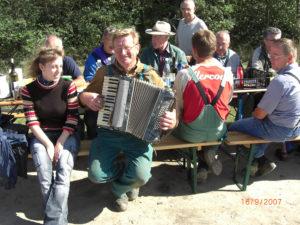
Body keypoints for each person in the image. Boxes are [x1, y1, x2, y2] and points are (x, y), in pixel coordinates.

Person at [79, 27, 176, 212]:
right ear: (113, 50)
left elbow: (171, 104)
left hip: (138, 137)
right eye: (118, 48)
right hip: (109, 134)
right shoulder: (104, 72)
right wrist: (87, 98)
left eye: (128, 47)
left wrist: (173, 120)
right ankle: (126, 177)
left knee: (141, 177)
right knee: (96, 176)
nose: (123, 53)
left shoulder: (151, 76)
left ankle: (119, 188)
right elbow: (84, 95)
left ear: (138, 47)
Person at [21, 47, 80, 225]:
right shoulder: (28, 90)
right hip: (42, 136)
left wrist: (60, 143)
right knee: (45, 177)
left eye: (60, 66)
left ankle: (52, 222)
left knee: (63, 172)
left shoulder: (68, 86)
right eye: (53, 66)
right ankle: (59, 221)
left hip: (67, 134)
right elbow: (32, 122)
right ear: (42, 66)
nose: (58, 71)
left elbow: (73, 118)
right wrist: (48, 145)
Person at [229, 38, 300, 177]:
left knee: (232, 127)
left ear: (290, 57)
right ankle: (259, 162)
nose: (270, 59)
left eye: (275, 55)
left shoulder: (281, 81)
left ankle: (258, 158)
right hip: (296, 127)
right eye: (270, 54)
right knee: (261, 127)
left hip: (280, 130)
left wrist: (260, 112)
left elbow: (259, 115)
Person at [173, 29, 233, 182]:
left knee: (173, 127)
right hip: (218, 132)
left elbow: (178, 107)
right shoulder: (227, 74)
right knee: (210, 130)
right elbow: (229, 101)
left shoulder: (185, 74)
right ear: (214, 49)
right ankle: (207, 156)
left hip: (191, 134)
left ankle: (201, 159)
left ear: (193, 50)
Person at [83, 27, 115, 139]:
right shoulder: (94, 56)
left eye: (114, 39)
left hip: (117, 97)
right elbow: (88, 78)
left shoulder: (121, 55)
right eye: (109, 39)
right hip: (98, 95)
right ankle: (93, 142)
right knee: (91, 118)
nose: (112, 43)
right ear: (103, 40)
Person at [176, 0, 208, 64]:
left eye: (188, 9)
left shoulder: (200, 25)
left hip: (195, 62)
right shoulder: (181, 22)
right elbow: (177, 42)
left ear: (194, 9)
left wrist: (192, 57)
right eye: (183, 9)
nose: (185, 12)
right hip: (181, 61)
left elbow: (207, 46)